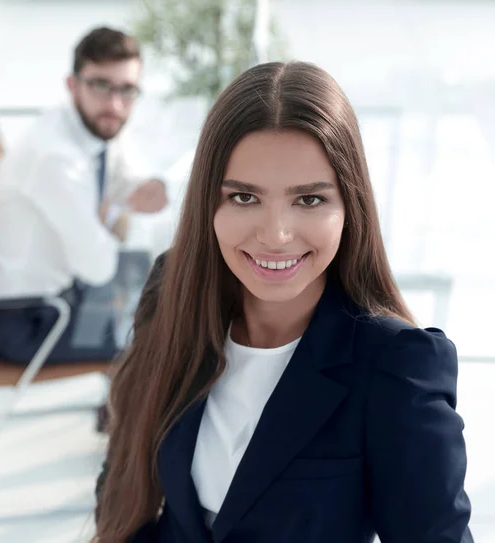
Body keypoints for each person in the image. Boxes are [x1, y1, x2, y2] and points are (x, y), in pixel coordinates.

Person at [94, 61, 473, 542]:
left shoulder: (397, 365)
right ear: (208, 202)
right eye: (245, 198)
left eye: (309, 200)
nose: (275, 235)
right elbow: (123, 477)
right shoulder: (175, 292)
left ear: (348, 208)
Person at [0, 27, 167, 367]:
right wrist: (115, 212)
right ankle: (134, 414)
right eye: (101, 85)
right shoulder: (56, 159)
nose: (115, 104)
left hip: (56, 296)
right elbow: (98, 268)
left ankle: (122, 407)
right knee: (175, 332)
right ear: (72, 85)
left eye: (127, 90)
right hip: (28, 321)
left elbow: (120, 171)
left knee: (167, 286)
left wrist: (127, 194)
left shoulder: (89, 124)